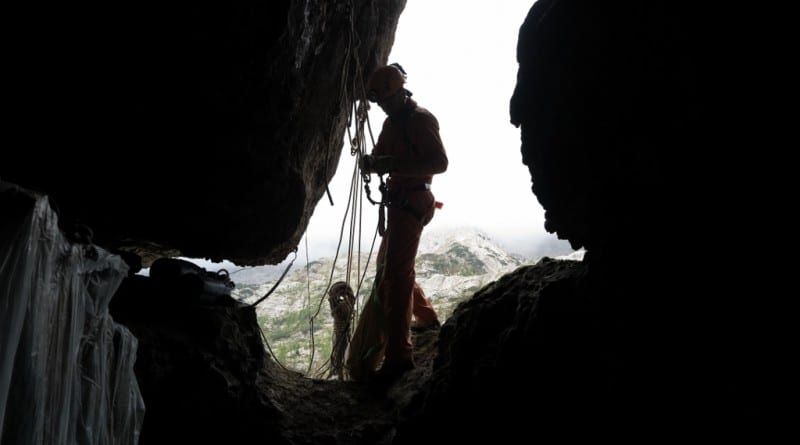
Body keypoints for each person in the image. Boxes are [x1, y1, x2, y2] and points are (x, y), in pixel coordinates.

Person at [350, 63, 448, 385]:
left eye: (388, 101)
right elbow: (382, 156)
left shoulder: (421, 120)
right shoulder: (391, 124)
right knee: (391, 266)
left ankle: (399, 357)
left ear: (401, 92)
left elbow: (440, 162)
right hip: (400, 201)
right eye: (381, 103)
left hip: (414, 200)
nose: (384, 107)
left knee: (395, 273)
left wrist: (392, 164)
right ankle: (427, 319)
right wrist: (373, 162)